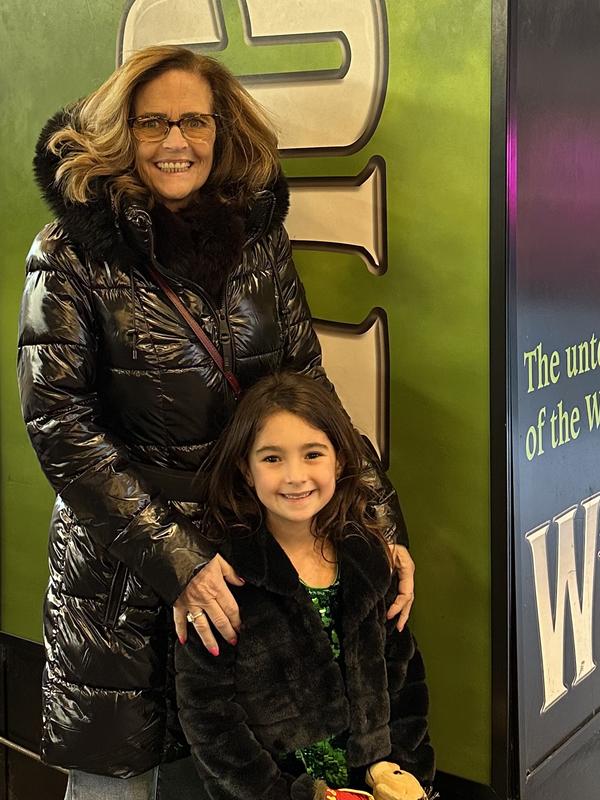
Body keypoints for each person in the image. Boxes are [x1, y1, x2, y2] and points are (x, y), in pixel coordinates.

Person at [18, 45, 415, 799]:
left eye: (194, 121)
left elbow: (309, 394)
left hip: (246, 557)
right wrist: (179, 562)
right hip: (122, 578)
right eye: (153, 123)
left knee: (236, 774)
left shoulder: (257, 239)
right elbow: (61, 428)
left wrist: (380, 523)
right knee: (119, 783)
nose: (176, 141)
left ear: (222, 129)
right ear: (121, 132)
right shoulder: (66, 254)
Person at [176, 372, 435, 800]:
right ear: (245, 469)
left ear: (340, 461)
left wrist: (404, 770)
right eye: (272, 458)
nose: (295, 476)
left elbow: (404, 678)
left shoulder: (369, 560)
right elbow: (209, 715)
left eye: (312, 454)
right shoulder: (223, 581)